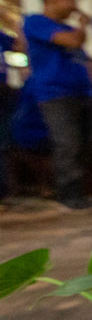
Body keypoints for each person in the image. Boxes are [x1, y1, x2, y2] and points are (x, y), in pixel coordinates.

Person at [22, 0, 92, 210]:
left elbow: (85, 57)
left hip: (81, 92)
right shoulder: (36, 22)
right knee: (67, 143)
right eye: (70, 1)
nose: (74, 7)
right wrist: (83, 25)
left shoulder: (65, 28)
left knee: (85, 142)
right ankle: (67, 194)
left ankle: (77, 191)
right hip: (55, 93)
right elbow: (74, 41)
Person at [0, 27, 25, 207]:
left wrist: (10, 21)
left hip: (2, 90)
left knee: (4, 143)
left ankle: (4, 193)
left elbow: (21, 46)